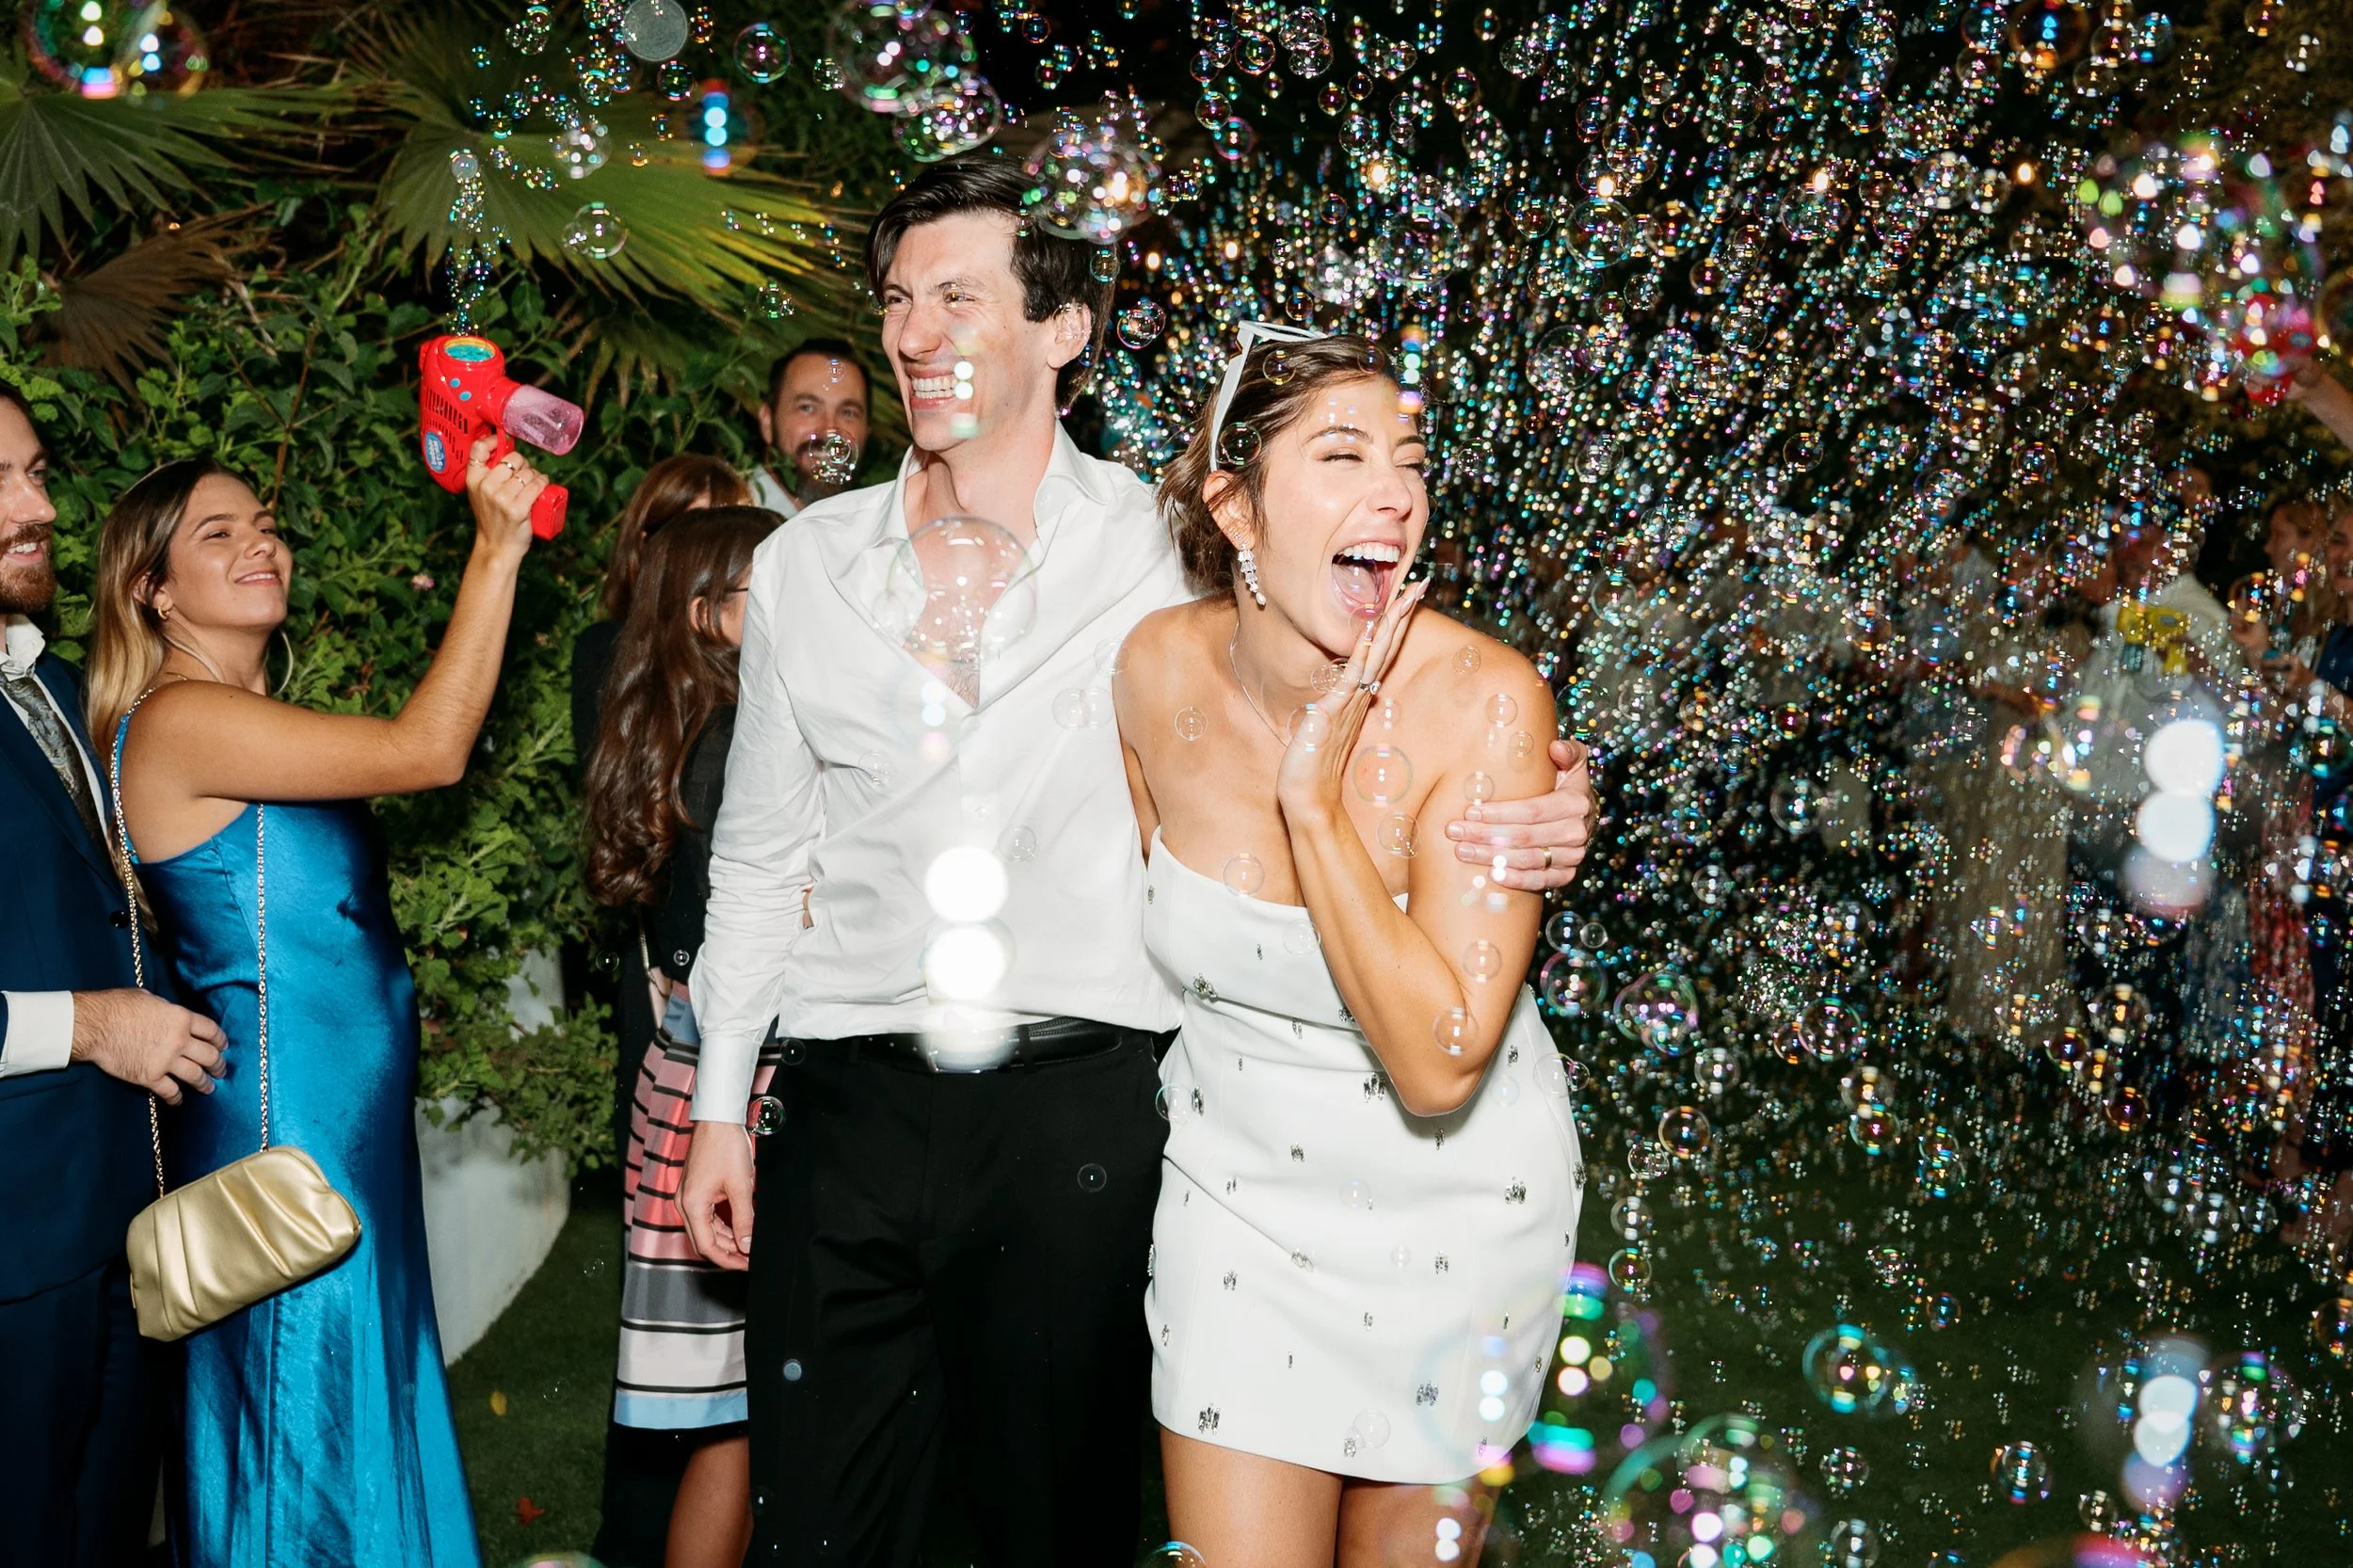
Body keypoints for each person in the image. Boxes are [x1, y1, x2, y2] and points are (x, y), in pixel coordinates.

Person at [676, 152, 1595, 1565]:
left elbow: (1363, 676)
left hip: (1079, 1119)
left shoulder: (1165, 562)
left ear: (1063, 328)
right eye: (898, 300)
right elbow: (755, 856)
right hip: (843, 1108)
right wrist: (725, 1103)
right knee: (825, 1529)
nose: (915, 335)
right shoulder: (809, 566)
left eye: (959, 297)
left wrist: (1548, 805)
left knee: (1061, 1526)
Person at [1117, 331, 1583, 1563]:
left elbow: (1439, 1062)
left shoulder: (1485, 700)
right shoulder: (1153, 670)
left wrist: (1311, 804)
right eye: (1342, 454)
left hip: (1456, 1217)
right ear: (1236, 505)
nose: (1397, 492)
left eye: (1410, 459)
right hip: (1236, 1205)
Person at [93, 439, 548, 1565]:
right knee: (302, 1415)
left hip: (339, 1125)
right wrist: (496, 550)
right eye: (218, 532)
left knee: (344, 1393)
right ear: (152, 590)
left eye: (263, 522)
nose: (260, 541)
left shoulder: (240, 717)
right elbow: (428, 749)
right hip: (281, 1142)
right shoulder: (177, 718)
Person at [0, 388, 223, 1566]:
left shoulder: (54, 685)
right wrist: (86, 1025)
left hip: (120, 1225)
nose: (38, 507)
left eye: (36, 472)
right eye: (1, 480)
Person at [583, 506, 783, 1568]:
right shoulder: (737, 749)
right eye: (773, 590)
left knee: (733, 1411)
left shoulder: (668, 727)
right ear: (710, 617)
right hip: (738, 1097)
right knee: (748, 1411)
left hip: (686, 1086)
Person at [746, 337, 872, 517]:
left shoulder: (864, 530)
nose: (831, 429)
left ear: (867, 430)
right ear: (767, 421)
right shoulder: (730, 522)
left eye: (848, 413)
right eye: (807, 408)